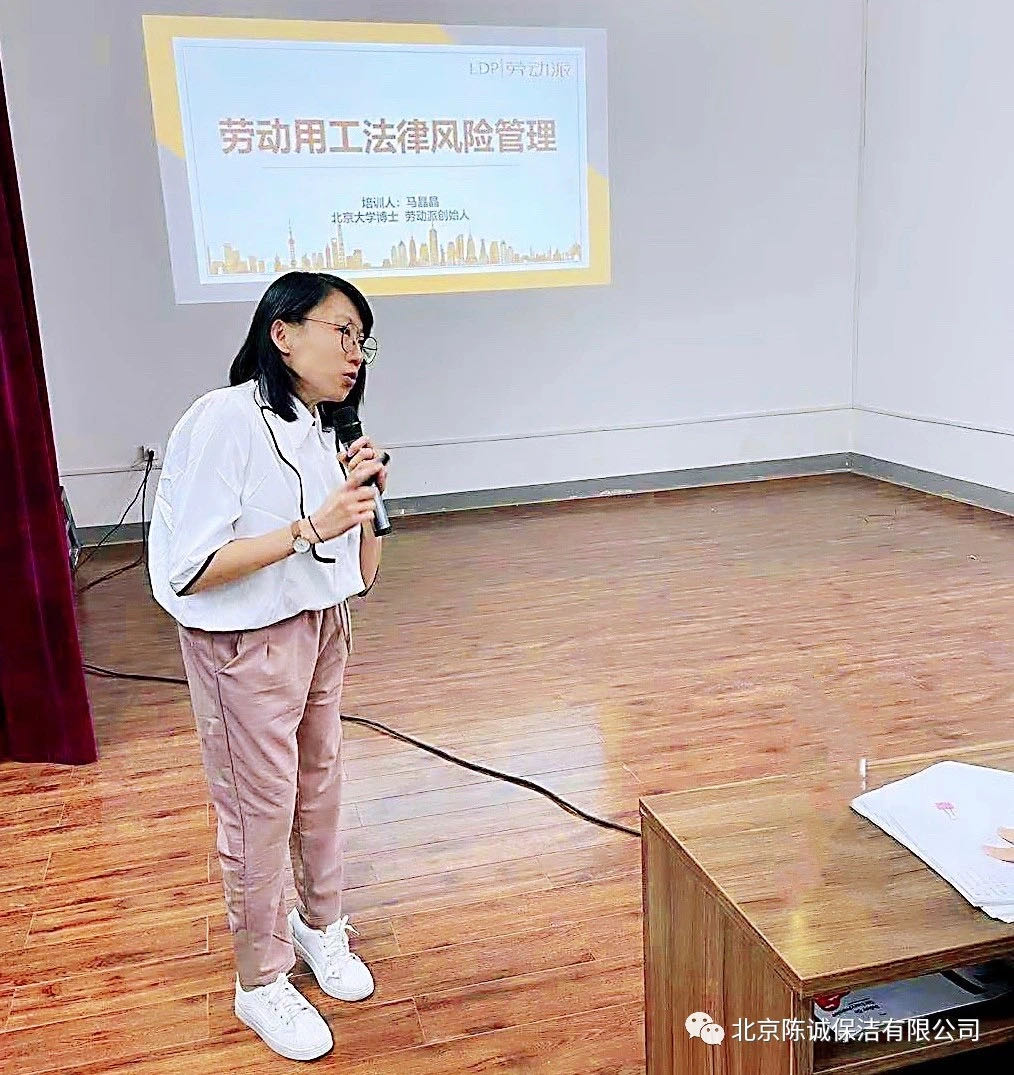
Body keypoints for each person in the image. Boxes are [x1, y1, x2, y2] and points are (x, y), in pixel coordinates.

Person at [148, 271, 387, 1061]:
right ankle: (260, 979)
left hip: (322, 628)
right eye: (342, 331)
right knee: (259, 812)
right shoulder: (223, 419)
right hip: (245, 645)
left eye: (363, 339)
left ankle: (320, 923)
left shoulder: (325, 429)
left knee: (321, 787)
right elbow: (191, 567)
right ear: (282, 332)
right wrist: (309, 525)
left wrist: (367, 502)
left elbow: (361, 573)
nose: (355, 353)